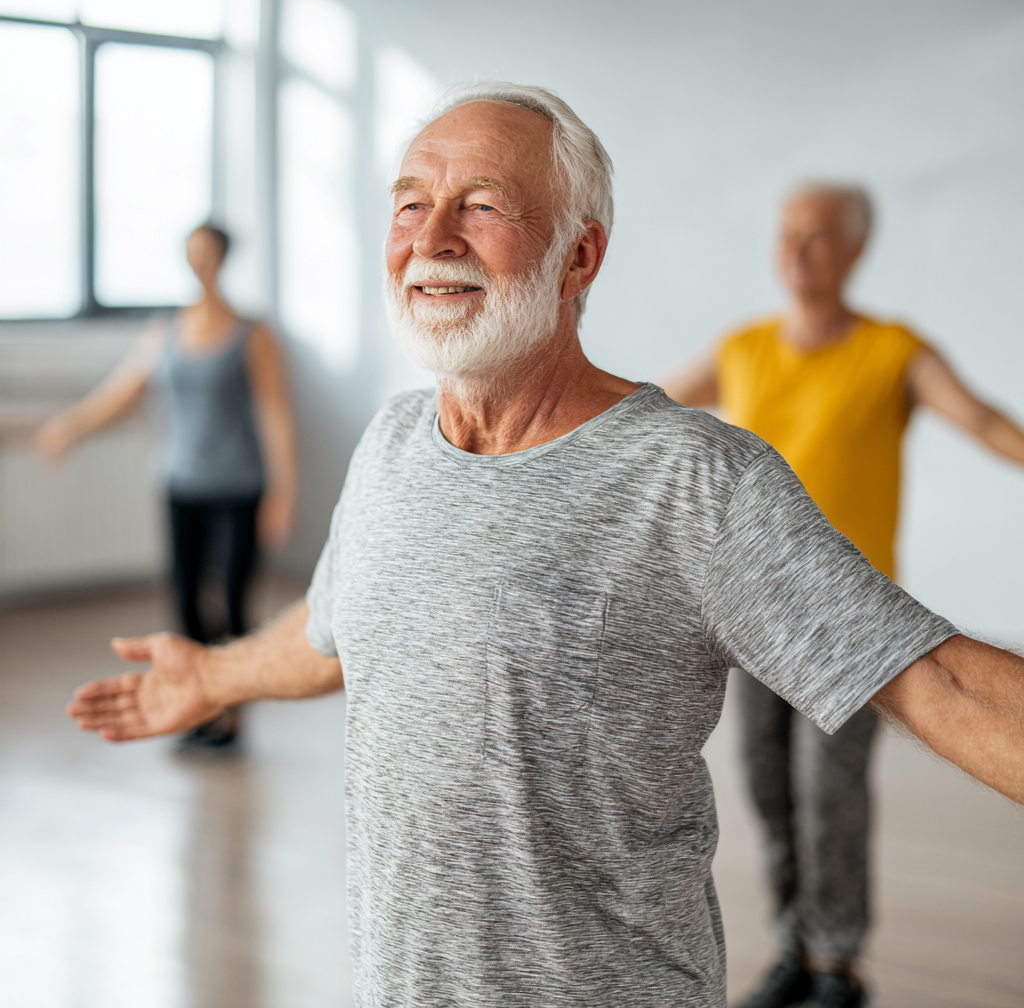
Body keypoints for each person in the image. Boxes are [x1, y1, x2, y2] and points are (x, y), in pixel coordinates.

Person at [68, 85, 1024, 1008]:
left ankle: (830, 957)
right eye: (410, 203)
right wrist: (216, 678)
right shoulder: (393, 446)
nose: (432, 237)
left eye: (481, 205)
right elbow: (333, 633)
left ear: (580, 256)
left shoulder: (692, 478)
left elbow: (939, 685)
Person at [663, 183, 1024, 1007]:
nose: (797, 253)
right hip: (750, 613)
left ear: (856, 251)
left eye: (818, 237)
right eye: (788, 236)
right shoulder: (743, 349)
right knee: (765, 782)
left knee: (831, 791)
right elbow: (640, 410)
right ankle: (796, 945)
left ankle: (839, 965)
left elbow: (978, 416)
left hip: (852, 620)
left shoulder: (894, 352)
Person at [39, 223, 297, 748]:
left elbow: (274, 414)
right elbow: (123, 392)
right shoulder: (166, 330)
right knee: (184, 601)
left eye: (208, 254)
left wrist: (283, 492)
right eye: (192, 254)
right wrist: (72, 426)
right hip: (181, 483)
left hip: (239, 487)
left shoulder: (252, 333)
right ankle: (194, 709)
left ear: (223, 259)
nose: (199, 263)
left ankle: (232, 713)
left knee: (229, 599)